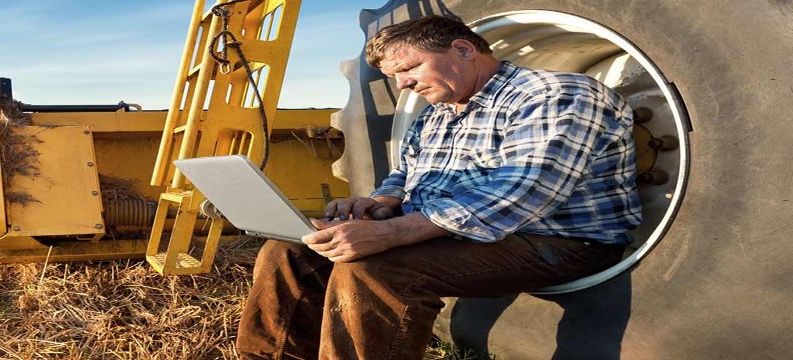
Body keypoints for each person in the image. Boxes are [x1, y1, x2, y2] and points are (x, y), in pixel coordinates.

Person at [236, 15, 642, 359]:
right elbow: (407, 172)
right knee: (288, 251)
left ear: (464, 50)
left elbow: (524, 193)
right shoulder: (438, 114)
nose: (403, 85)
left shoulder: (555, 94)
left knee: (373, 269)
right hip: (465, 236)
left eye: (409, 69)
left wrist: (389, 233)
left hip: (557, 241)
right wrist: (381, 203)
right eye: (394, 77)